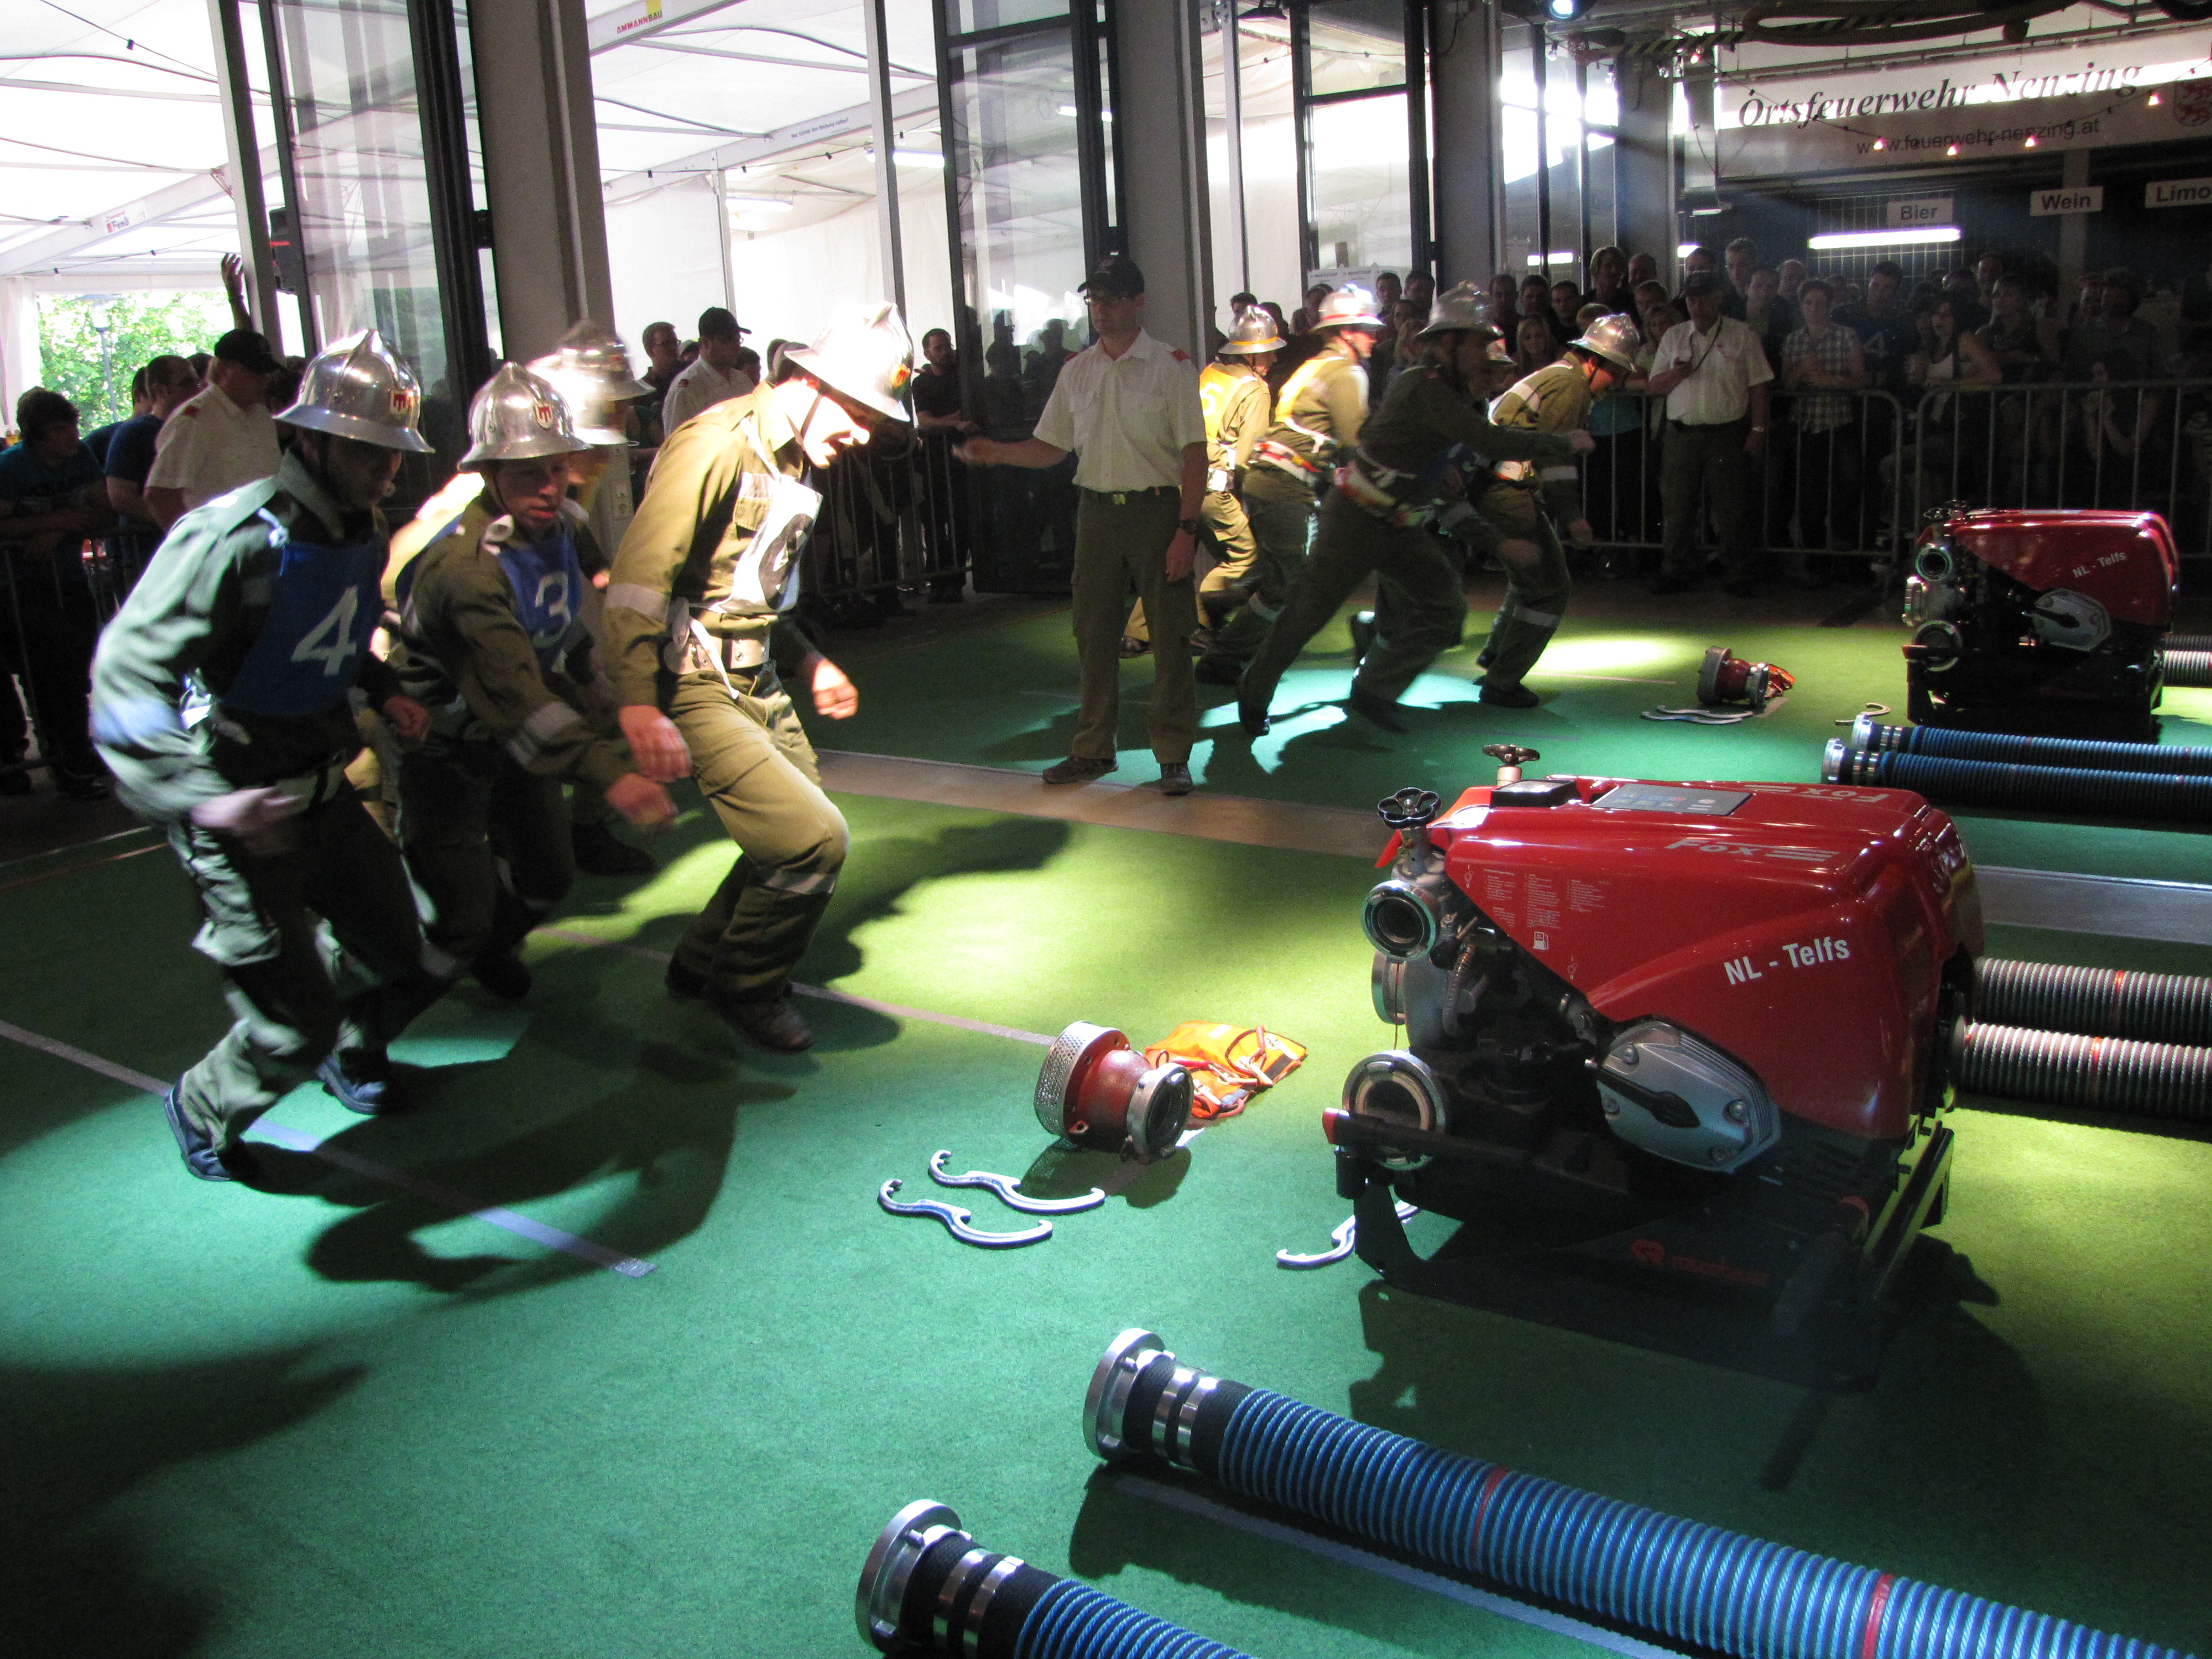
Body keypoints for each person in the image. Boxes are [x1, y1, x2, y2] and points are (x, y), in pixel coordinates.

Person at [89, 331, 445, 1181]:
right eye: (366, 450)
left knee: (405, 942)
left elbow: (323, 634)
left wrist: (380, 684)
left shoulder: (359, 529)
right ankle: (205, 1103)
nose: (386, 470)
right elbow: (123, 679)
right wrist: (205, 801)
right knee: (291, 1025)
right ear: (311, 439)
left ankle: (346, 1046)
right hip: (234, 805)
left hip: (320, 792)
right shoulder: (232, 538)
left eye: (393, 451)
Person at [603, 305, 906, 1052]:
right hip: (695, 680)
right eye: (859, 413)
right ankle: (746, 985)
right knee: (811, 840)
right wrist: (637, 704)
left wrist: (809, 661)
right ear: (809, 382)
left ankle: (701, 959)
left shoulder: (791, 457)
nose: (864, 435)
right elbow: (640, 580)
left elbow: (749, 591)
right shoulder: (715, 444)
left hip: (758, 676)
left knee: (786, 831)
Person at [386, 365, 675, 1003]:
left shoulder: (559, 524)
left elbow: (564, 597)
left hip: (509, 734)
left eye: (556, 468)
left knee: (547, 878)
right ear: (488, 473)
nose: (548, 487)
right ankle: (367, 1025)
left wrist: (587, 662)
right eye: (525, 473)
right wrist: (614, 776)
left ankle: (490, 946)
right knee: (456, 920)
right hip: (444, 743)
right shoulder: (466, 565)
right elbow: (515, 691)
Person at [1234, 284, 1589, 735]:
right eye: (1478, 345)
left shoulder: (1450, 396)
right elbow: (1489, 441)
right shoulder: (1427, 389)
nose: (1485, 359)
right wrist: (1561, 442)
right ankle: (1255, 691)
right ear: (1448, 343)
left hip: (1397, 524)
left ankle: (1374, 689)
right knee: (1308, 613)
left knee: (1445, 608)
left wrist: (1496, 541)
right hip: (1355, 519)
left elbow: (1449, 490)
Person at [958, 254, 1206, 795]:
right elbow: (1050, 448)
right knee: (1093, 633)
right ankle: (1092, 749)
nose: (1100, 309)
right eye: (1094, 299)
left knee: (1169, 635)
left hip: (1157, 511)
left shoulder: (1170, 367)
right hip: (1096, 513)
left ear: (1138, 302)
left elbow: (1194, 454)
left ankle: (1173, 754)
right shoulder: (1077, 371)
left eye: (1111, 298)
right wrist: (997, 452)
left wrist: (1186, 530)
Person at [1197, 284, 1384, 683]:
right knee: (1287, 585)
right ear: (1346, 331)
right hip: (1286, 485)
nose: (1375, 337)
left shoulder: (1314, 366)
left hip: (1272, 482)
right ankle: (1224, 654)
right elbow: (1357, 443)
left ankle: (1230, 606)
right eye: (1367, 329)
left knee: (1289, 575)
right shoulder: (1346, 373)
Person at [1469, 315, 1640, 707]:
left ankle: (1497, 657)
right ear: (1595, 361)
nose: (1616, 383)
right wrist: (1572, 516)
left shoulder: (1559, 376)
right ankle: (1503, 680)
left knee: (1529, 578)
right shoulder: (1572, 385)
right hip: (1504, 488)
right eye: (1615, 372)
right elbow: (1555, 455)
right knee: (1550, 588)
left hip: (1492, 484)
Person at [1122, 307, 1280, 656]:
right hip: (1211, 487)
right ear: (1252, 354)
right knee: (1245, 558)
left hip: (1177, 478)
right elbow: (1248, 458)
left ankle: (1137, 633)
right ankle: (1200, 623)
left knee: (1174, 557)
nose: (1273, 358)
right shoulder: (1255, 389)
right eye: (1268, 351)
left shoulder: (1212, 372)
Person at [0, 387, 112, 798]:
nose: (73, 437)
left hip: (67, 578)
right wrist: (60, 520)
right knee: (49, 674)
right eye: (61, 430)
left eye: (73, 427)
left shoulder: (82, 457)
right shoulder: (11, 467)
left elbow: (104, 509)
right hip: (21, 585)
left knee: (77, 668)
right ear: (38, 435)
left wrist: (57, 527)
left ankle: (76, 750)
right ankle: (66, 758)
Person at [1647, 270, 1772, 596]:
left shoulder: (1742, 334)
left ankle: (1739, 570)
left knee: (1732, 507)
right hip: (1682, 434)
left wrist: (1758, 428)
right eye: (1691, 299)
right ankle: (1677, 568)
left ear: (1718, 297)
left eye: (1703, 298)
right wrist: (1677, 374)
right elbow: (1654, 386)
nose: (1697, 305)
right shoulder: (1674, 336)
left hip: (1727, 433)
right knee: (1677, 506)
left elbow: (1759, 385)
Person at [143, 328, 283, 528]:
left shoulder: (260, 414)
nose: (264, 379)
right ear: (224, 369)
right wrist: (195, 541)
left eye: (266, 372)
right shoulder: (195, 419)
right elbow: (160, 496)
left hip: (267, 532)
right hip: (223, 536)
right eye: (254, 372)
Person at [1780, 280, 1869, 567]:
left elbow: (1860, 379)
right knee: (1810, 494)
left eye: (1820, 303)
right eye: (1809, 303)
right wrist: (1801, 371)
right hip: (1805, 424)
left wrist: (1831, 380)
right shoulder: (1793, 340)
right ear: (1801, 306)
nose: (1814, 309)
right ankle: (1815, 559)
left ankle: (1843, 557)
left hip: (1838, 422)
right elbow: (1786, 384)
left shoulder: (1846, 335)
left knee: (1846, 488)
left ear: (1830, 306)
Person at [105, 354, 199, 533]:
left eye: (198, 383)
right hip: (151, 541)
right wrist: (175, 522)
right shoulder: (133, 434)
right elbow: (120, 496)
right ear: (160, 390)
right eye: (187, 384)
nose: (197, 392)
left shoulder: (198, 427)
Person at [660, 306, 757, 435]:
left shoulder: (742, 381)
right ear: (706, 343)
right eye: (727, 340)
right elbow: (676, 442)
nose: (735, 346)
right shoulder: (687, 389)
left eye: (737, 339)